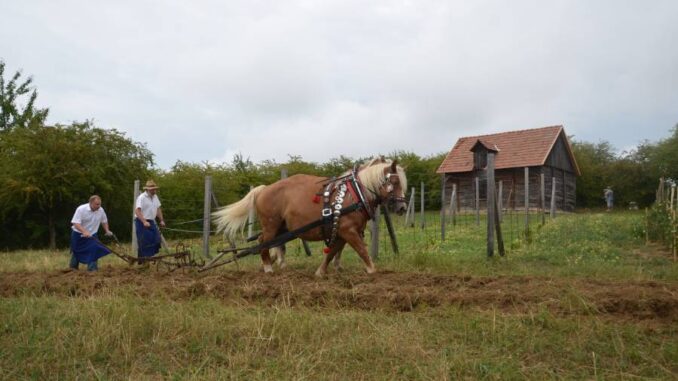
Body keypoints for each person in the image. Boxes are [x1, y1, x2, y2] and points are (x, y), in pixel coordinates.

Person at [69, 195, 113, 271]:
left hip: (92, 234)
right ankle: (73, 268)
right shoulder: (81, 209)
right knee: (77, 251)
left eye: (100, 204)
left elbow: (104, 221)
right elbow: (75, 223)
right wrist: (84, 231)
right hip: (78, 234)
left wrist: (107, 230)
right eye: (97, 204)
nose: (99, 206)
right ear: (91, 203)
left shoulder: (101, 210)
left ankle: (92, 269)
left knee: (94, 249)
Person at [134, 179, 165, 263]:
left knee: (156, 239)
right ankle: (143, 262)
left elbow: (158, 209)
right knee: (144, 242)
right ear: (148, 189)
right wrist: (144, 221)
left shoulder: (155, 197)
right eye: (153, 189)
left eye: (155, 188)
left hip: (151, 221)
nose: (155, 190)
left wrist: (161, 220)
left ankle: (149, 258)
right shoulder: (142, 198)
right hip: (141, 221)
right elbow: (137, 211)